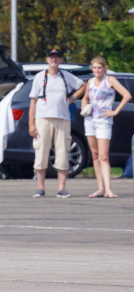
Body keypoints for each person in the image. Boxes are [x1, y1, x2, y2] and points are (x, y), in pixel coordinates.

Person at [28, 48, 85, 198]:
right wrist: (31, 124)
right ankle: (40, 188)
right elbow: (33, 102)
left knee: (62, 152)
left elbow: (83, 86)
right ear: (47, 60)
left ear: (60, 60)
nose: (54, 60)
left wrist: (72, 98)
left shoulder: (66, 76)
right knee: (41, 152)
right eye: (51, 57)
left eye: (57, 57)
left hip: (63, 118)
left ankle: (62, 188)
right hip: (43, 118)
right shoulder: (40, 77)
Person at [81, 57, 132, 198]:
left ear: (104, 68)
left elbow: (127, 95)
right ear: (92, 69)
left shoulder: (110, 80)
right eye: (95, 68)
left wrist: (115, 111)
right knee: (95, 155)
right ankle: (100, 188)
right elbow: (85, 97)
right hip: (90, 120)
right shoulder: (90, 82)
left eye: (100, 68)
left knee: (104, 156)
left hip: (104, 121)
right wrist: (83, 104)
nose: (97, 70)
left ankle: (108, 189)